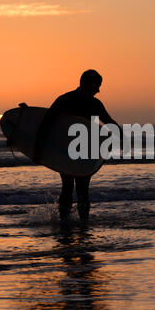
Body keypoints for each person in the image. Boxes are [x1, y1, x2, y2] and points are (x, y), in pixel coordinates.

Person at [33, 69, 121, 222]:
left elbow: (108, 121)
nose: (98, 90)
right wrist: (37, 149)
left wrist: (119, 132)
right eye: (97, 86)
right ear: (87, 83)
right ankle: (73, 222)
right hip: (66, 151)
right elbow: (46, 124)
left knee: (76, 187)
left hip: (81, 151)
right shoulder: (71, 101)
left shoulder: (71, 100)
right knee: (74, 187)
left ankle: (73, 223)